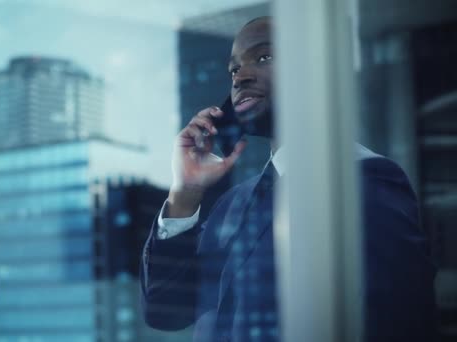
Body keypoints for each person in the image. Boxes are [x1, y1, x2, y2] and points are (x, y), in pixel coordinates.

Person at [140, 16, 436, 342]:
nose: (240, 78)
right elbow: (165, 311)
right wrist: (185, 192)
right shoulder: (231, 205)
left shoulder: (361, 179)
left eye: (264, 57)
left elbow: (398, 322)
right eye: (234, 69)